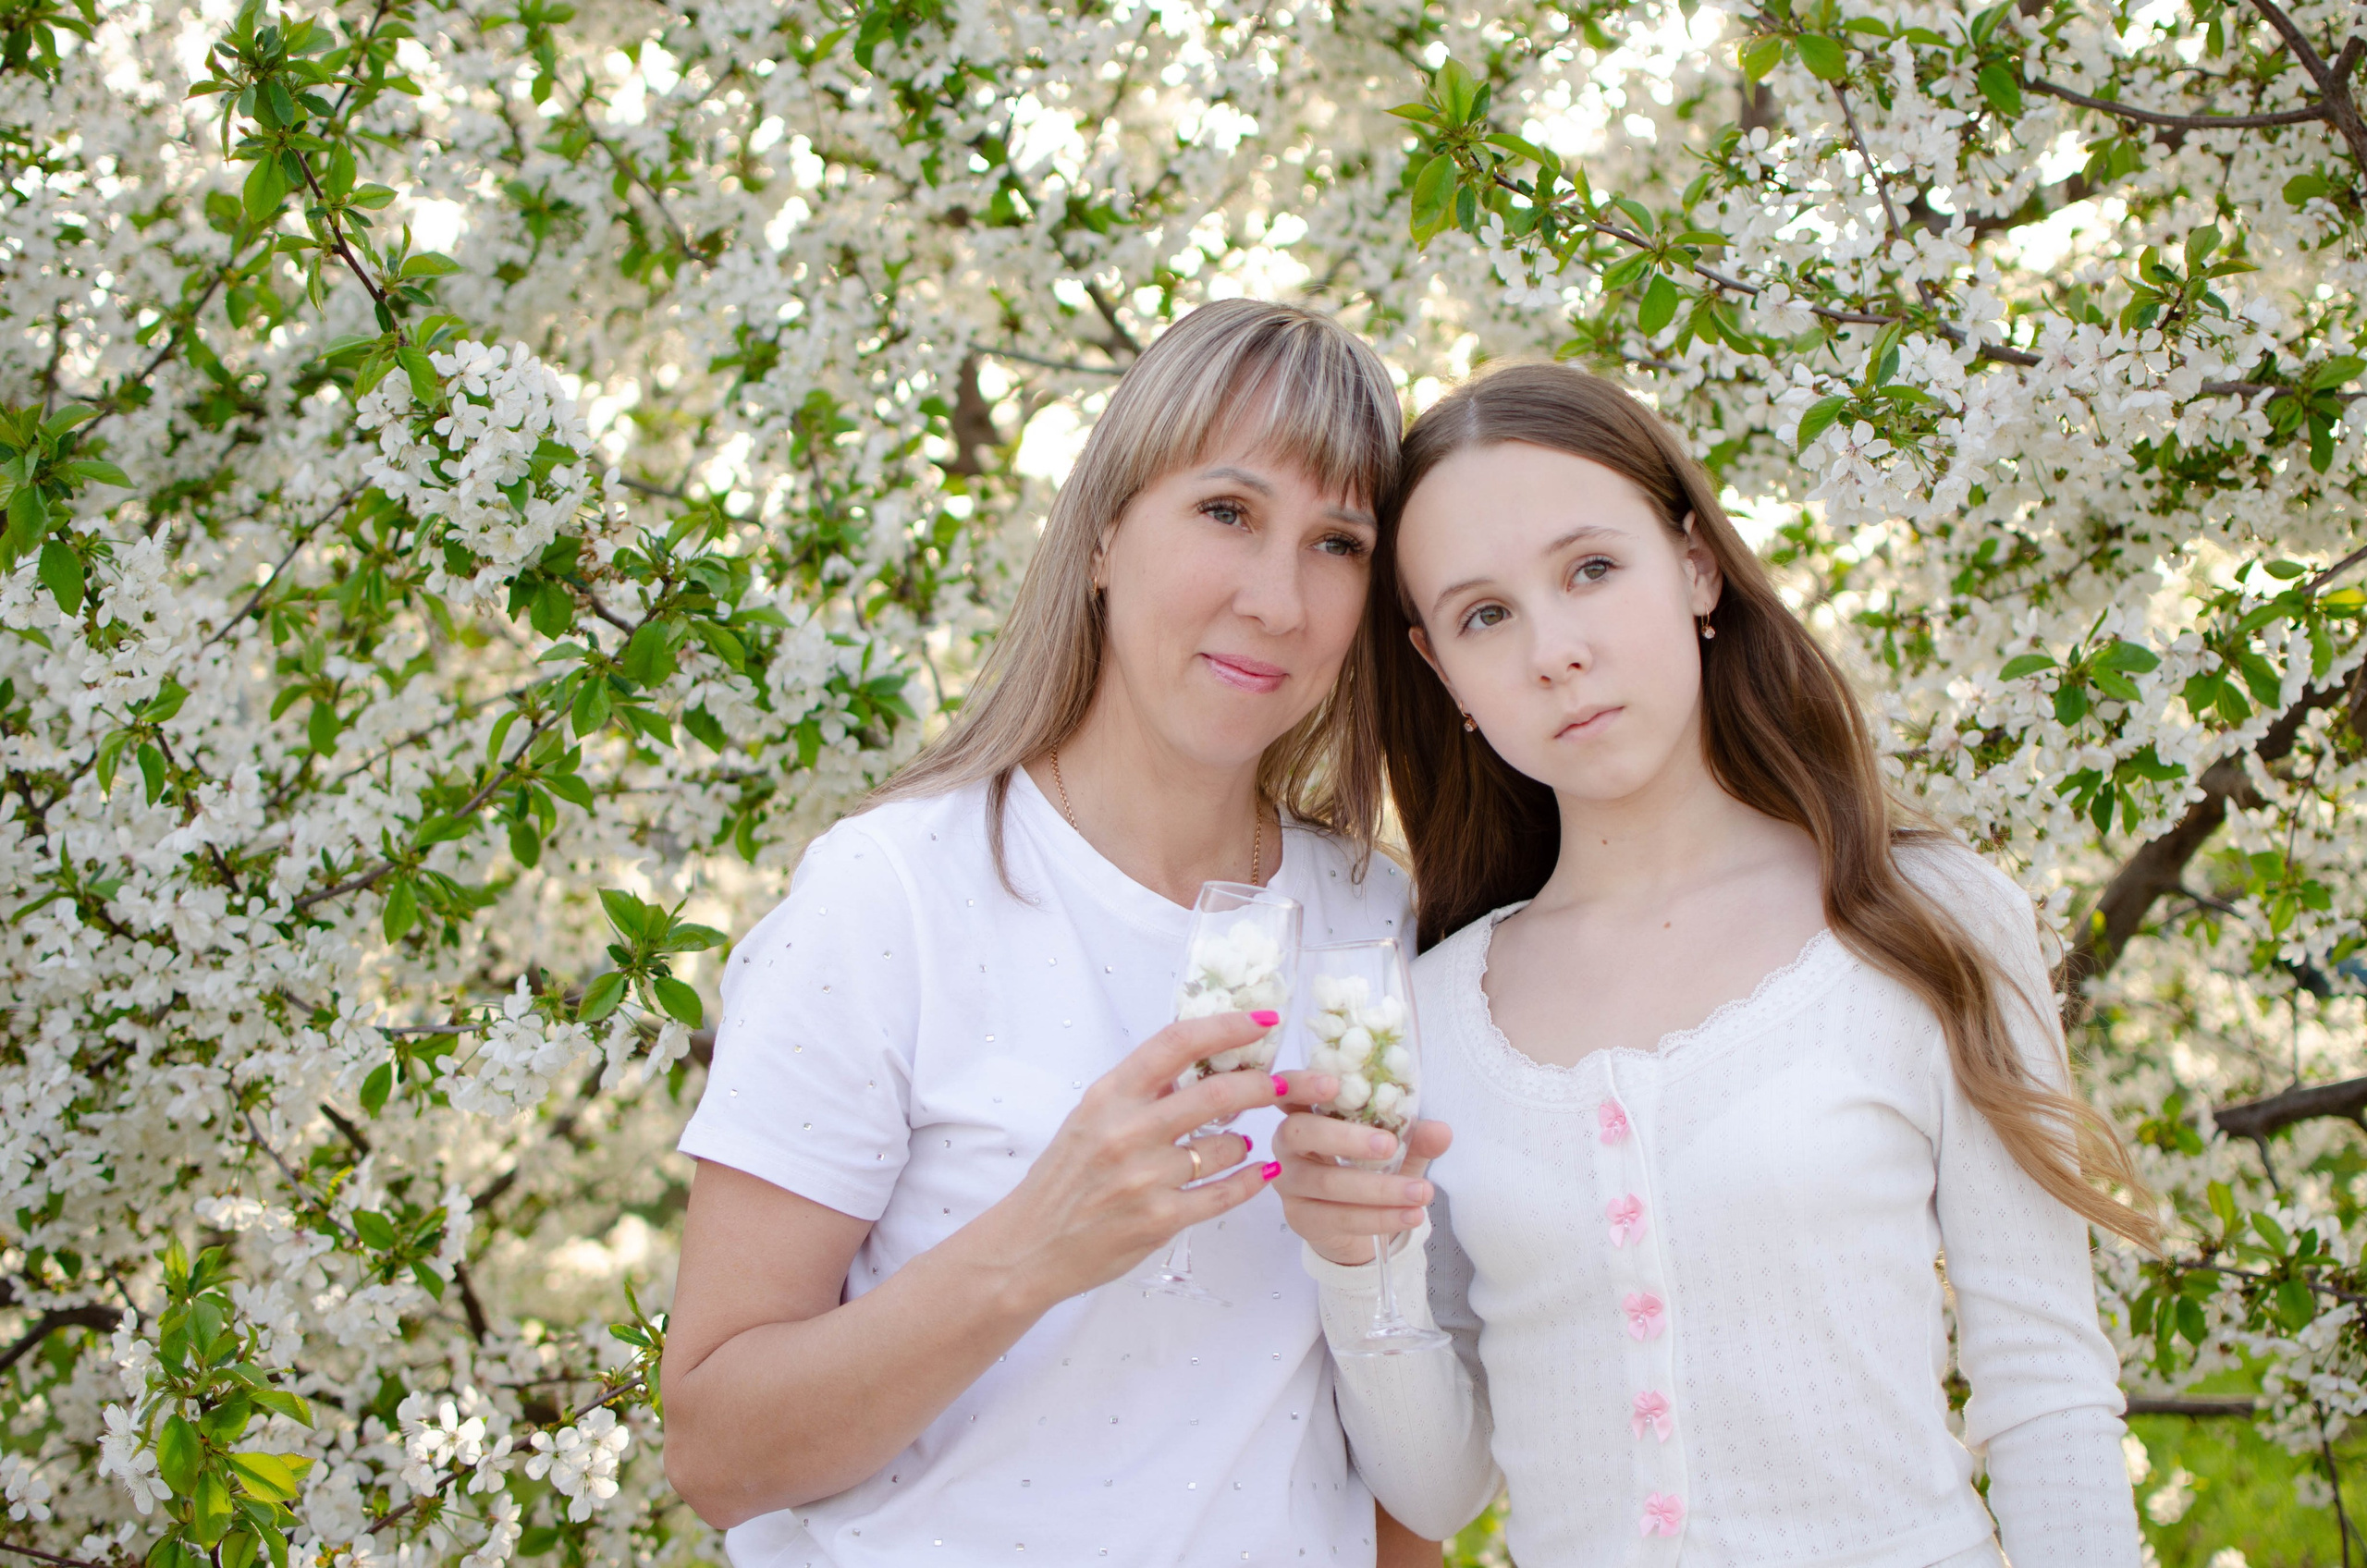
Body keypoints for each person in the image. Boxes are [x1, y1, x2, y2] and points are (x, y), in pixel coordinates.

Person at [1271, 362, 2158, 1566]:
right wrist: (1355, 1263)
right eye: (1487, 615)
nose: (1555, 652)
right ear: (1443, 673)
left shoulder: (1920, 919)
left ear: (1694, 565)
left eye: (1592, 569)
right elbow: (1441, 1489)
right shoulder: (1426, 1010)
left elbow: (2045, 1383)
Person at [660, 298, 1434, 1567]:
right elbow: (718, 1454)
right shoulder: (892, 895)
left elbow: (1393, 1435)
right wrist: (1032, 1247)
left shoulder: (1373, 918)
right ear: (1104, 537)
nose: (1279, 600)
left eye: (1338, 543)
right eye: (1228, 512)